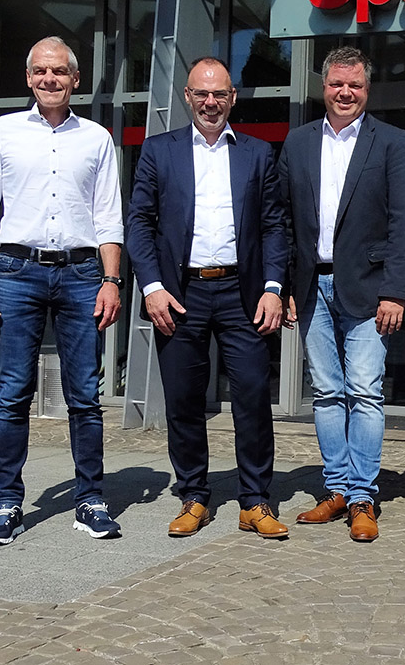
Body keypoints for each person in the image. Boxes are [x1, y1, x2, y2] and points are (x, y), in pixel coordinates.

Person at [0, 35, 124, 545]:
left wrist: (111, 280)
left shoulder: (97, 138)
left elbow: (108, 218)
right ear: (28, 77)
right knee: (12, 396)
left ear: (76, 79)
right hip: (16, 272)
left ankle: (91, 499)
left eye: (59, 72)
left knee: (85, 396)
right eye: (40, 71)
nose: (49, 80)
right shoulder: (1, 133)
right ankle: (8, 504)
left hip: (81, 276)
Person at [125, 57, 289, 540]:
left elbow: (275, 225)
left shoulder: (259, 154)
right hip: (180, 294)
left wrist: (274, 288)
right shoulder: (159, 152)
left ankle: (255, 501)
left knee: (254, 399)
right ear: (187, 97)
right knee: (183, 400)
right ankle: (193, 494)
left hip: (245, 294)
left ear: (233, 97)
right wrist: (151, 287)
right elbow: (139, 223)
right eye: (202, 94)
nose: (211, 102)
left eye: (219, 94)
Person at [277, 47, 405, 542]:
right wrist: (286, 284)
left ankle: (363, 496)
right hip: (310, 285)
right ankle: (335, 489)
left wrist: (396, 292)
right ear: (324, 86)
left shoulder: (393, 142)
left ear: (366, 89)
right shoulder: (297, 143)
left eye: (354, 86)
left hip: (370, 287)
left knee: (364, 390)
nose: (345, 93)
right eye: (337, 84)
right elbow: (283, 221)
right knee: (326, 392)